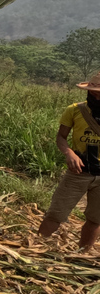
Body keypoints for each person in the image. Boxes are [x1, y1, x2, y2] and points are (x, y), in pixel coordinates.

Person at [39, 72, 100, 250]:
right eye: (93, 92)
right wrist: (69, 153)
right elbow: (61, 137)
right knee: (55, 214)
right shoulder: (74, 110)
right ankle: (35, 247)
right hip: (78, 173)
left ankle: (81, 255)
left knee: (95, 220)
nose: (95, 96)